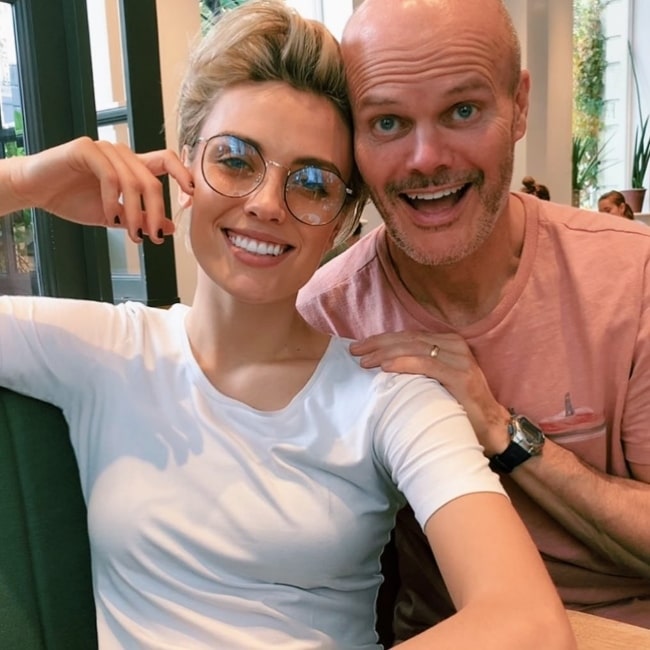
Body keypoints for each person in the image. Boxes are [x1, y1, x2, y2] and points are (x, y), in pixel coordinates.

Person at [0, 1, 573, 648]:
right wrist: (23, 181)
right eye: (236, 160)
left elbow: (527, 623)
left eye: (311, 182)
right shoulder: (106, 353)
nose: (268, 205)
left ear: (345, 218)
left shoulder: (387, 395)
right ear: (185, 165)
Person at [297, 0, 650, 642]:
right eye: (387, 121)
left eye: (463, 111)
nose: (426, 157)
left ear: (518, 105)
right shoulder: (328, 313)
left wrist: (498, 428)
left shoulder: (633, 277)